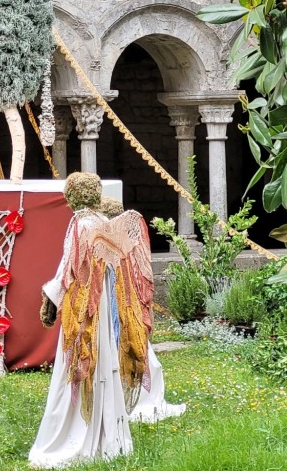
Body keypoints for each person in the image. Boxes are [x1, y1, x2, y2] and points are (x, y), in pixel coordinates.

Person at [28, 174, 185, 468]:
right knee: (104, 365)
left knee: (80, 364)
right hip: (108, 305)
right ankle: (107, 432)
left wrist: (51, 298)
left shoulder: (80, 224)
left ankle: (77, 431)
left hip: (85, 307)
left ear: (73, 196)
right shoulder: (108, 224)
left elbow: (69, 268)